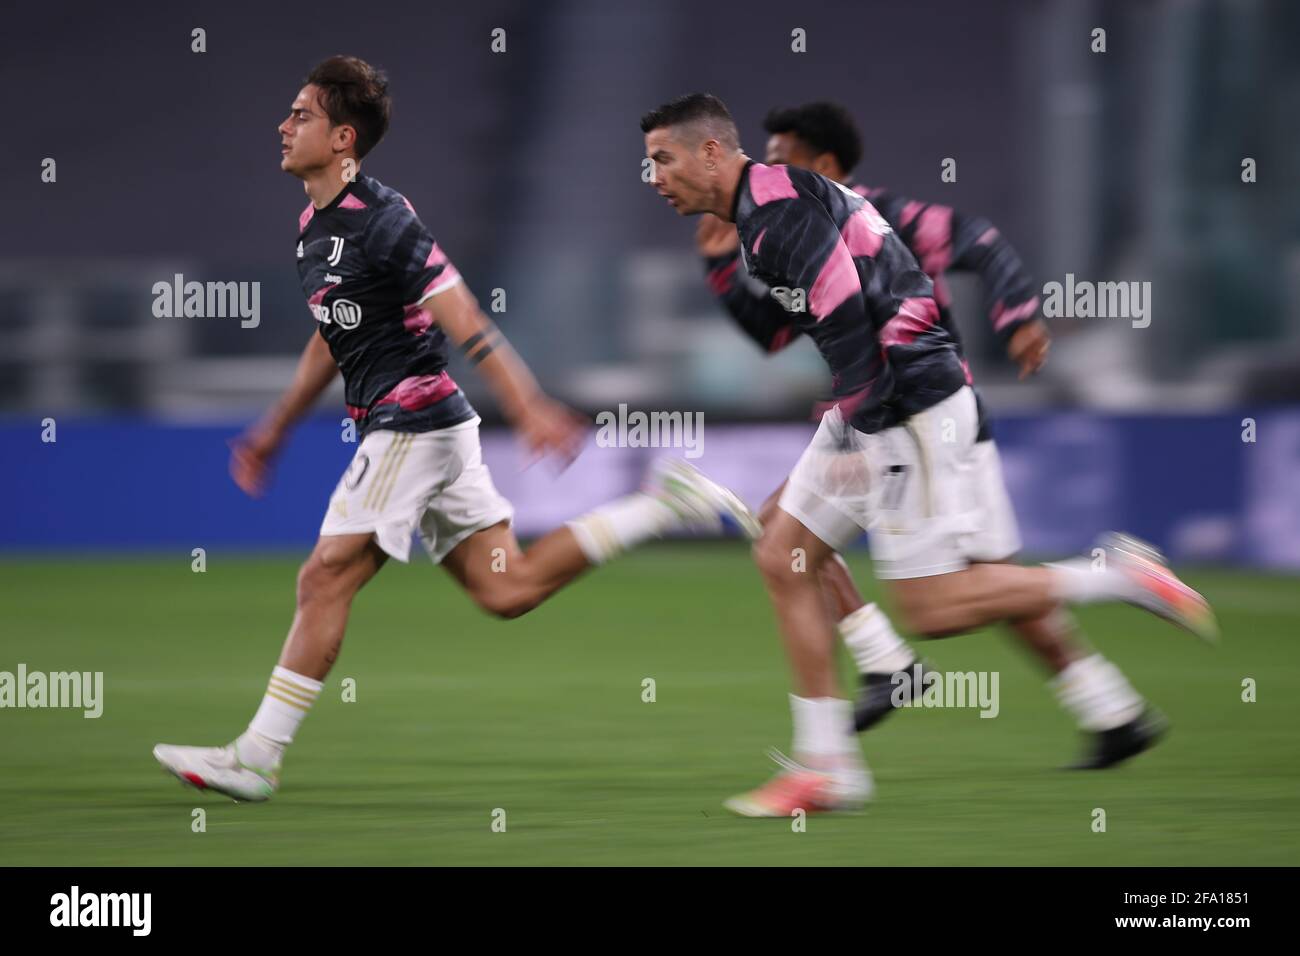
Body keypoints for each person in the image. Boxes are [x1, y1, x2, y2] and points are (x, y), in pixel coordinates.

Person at [153, 58, 759, 803]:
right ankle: (664, 505)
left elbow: (461, 309)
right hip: (432, 431)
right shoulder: (314, 227)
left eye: (301, 114)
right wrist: (274, 428)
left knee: (326, 573)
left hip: (412, 424)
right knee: (509, 589)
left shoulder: (384, 218)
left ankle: (256, 756)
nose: (284, 125)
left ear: (343, 138)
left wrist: (529, 401)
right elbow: (329, 337)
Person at [642, 92, 1216, 816]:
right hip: (892, 395)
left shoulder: (777, 213)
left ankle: (1119, 577)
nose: (654, 176)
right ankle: (828, 767)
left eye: (662, 159)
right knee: (783, 551)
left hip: (908, 404)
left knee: (939, 608)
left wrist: (859, 428)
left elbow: (847, 312)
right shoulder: (769, 207)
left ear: (713, 152)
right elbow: (808, 319)